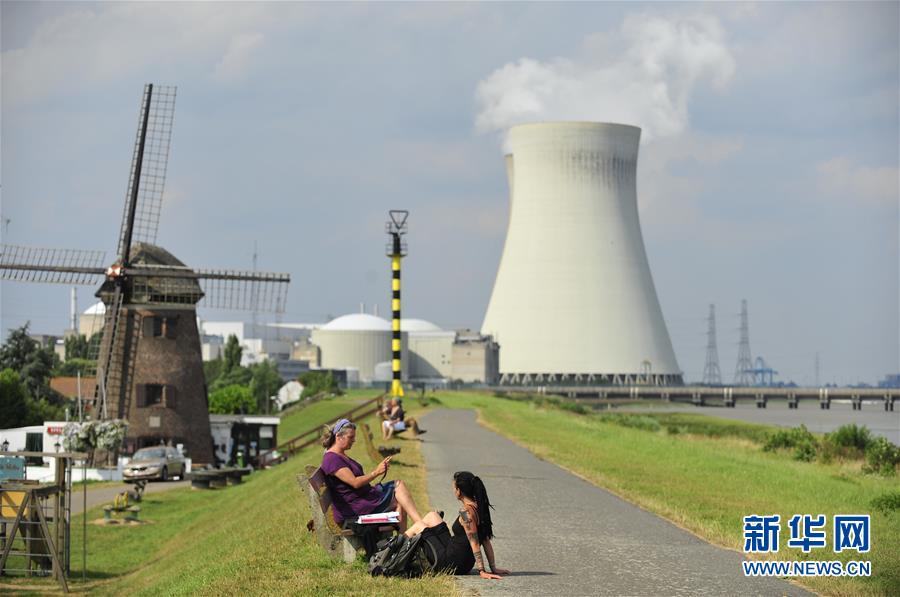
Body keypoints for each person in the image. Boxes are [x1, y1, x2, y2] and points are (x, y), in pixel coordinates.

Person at [320, 418, 424, 531]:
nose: (354, 440)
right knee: (399, 490)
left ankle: (412, 532)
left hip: (364, 501)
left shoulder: (338, 455)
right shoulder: (332, 459)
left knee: (399, 490)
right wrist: (376, 472)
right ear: (338, 436)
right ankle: (420, 526)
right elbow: (355, 482)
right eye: (351, 437)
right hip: (356, 510)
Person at [404, 471, 510, 579]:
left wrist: (482, 570)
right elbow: (486, 541)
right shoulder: (479, 508)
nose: (453, 491)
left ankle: (396, 549)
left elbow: (474, 541)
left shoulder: (465, 513)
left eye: (454, 488)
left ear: (459, 491)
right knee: (432, 516)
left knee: (419, 525)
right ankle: (399, 546)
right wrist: (493, 567)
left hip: (451, 563)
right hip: (463, 561)